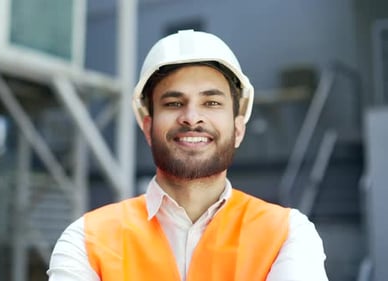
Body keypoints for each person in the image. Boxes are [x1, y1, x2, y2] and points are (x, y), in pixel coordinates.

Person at [47, 29, 329, 281]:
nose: (192, 117)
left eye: (211, 102)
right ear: (148, 128)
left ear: (238, 129)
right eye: (174, 103)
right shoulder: (86, 240)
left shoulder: (288, 233)